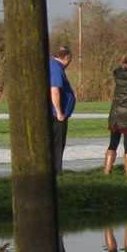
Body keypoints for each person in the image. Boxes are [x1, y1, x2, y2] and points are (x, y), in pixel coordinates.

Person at [48, 45, 75, 174]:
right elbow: (54, 90)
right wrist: (59, 112)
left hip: (54, 113)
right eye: (70, 59)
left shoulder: (51, 65)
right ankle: (56, 171)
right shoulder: (57, 69)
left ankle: (53, 169)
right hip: (56, 114)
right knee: (58, 144)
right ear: (66, 57)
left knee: (54, 143)